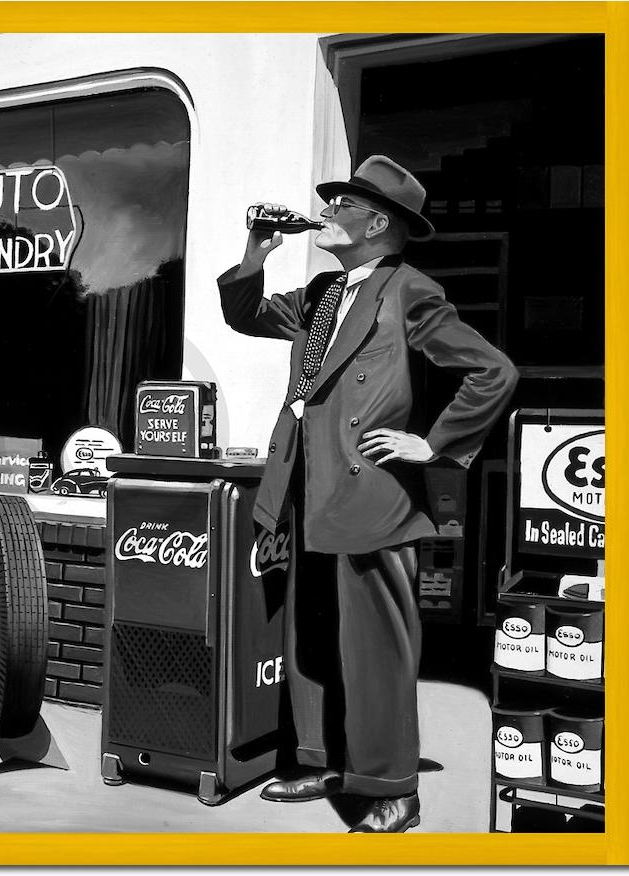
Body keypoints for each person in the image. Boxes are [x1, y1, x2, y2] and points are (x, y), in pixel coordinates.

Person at [217, 155, 518, 832]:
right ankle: (326, 764)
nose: (322, 212)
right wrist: (256, 250)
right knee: (312, 639)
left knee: (377, 651)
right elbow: (244, 314)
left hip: (371, 498)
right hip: (304, 489)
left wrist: (435, 446)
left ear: (376, 222)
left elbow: (492, 371)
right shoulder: (323, 291)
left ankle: (394, 789)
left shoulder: (410, 291)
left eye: (338, 205)